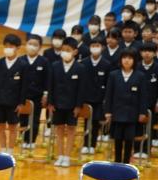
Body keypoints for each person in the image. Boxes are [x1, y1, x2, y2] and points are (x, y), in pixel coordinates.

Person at [47, 37, 88, 167]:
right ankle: (60, 155)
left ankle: (67, 156)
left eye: (68, 50)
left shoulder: (80, 68)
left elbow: (82, 89)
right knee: (59, 129)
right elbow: (51, 86)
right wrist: (50, 103)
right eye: (63, 50)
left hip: (72, 105)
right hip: (57, 104)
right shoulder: (55, 66)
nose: (65, 52)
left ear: (75, 52)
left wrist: (78, 106)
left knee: (71, 130)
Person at [105, 49, 149, 164]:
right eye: (124, 58)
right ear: (120, 60)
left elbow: (143, 96)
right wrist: (108, 111)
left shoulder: (140, 76)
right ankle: (117, 162)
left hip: (132, 114)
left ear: (134, 60)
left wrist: (142, 112)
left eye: (130, 58)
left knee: (129, 140)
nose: (127, 60)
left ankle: (126, 163)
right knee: (118, 139)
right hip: (117, 113)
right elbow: (109, 95)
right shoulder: (113, 75)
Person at [0, 34, 28, 155]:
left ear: (18, 48)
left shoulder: (23, 65)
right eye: (6, 46)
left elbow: (24, 86)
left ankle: (10, 151)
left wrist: (21, 103)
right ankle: (2, 149)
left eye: (11, 46)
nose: (8, 48)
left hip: (14, 103)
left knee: (12, 128)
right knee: (0, 126)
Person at [80, 36, 112, 154]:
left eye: (97, 46)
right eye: (93, 46)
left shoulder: (107, 64)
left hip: (99, 99)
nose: (95, 48)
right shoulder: (83, 63)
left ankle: (92, 145)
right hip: (86, 98)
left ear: (102, 48)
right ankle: (85, 144)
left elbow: (108, 84)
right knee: (86, 122)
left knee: (95, 122)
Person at [19, 34, 50, 148]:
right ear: (26, 45)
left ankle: (31, 140)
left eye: (35, 45)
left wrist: (45, 94)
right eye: (30, 44)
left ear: (40, 47)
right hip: (23, 96)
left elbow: (47, 80)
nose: (32, 47)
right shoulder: (20, 60)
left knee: (35, 119)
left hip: (38, 96)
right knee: (23, 118)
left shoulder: (44, 61)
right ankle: (24, 139)